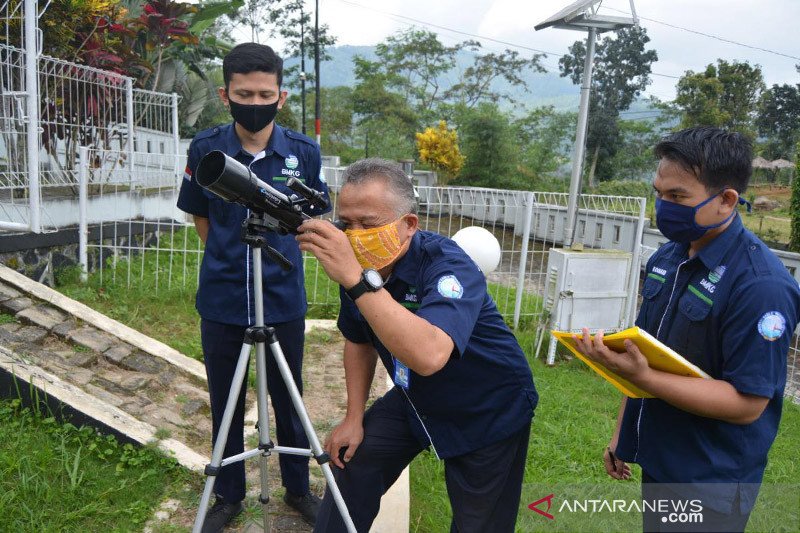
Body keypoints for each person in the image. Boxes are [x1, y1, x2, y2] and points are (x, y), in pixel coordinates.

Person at [573, 127, 800, 532]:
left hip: (709, 478)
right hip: (662, 458)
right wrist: (623, 434)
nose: (663, 206)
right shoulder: (668, 256)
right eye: (659, 193)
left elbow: (748, 403)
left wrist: (644, 376)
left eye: (678, 197)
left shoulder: (761, 286)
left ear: (727, 200)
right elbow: (643, 352)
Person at [295, 158, 538, 532]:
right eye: (347, 224)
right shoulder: (361, 268)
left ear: (408, 225)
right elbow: (359, 340)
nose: (354, 235)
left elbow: (429, 355)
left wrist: (356, 280)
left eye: (368, 224)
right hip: (416, 397)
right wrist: (354, 416)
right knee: (352, 461)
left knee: (479, 523)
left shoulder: (448, 266)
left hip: (488, 404)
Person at [176, 43, 329, 532]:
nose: (255, 101)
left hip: (283, 295)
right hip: (222, 297)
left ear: (281, 96)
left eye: (265, 93)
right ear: (227, 94)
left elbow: (311, 215)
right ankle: (228, 493)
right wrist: (228, 254)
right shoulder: (206, 148)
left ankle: (299, 488)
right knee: (226, 396)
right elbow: (200, 213)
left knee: (288, 393)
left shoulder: (303, 152)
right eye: (245, 93)